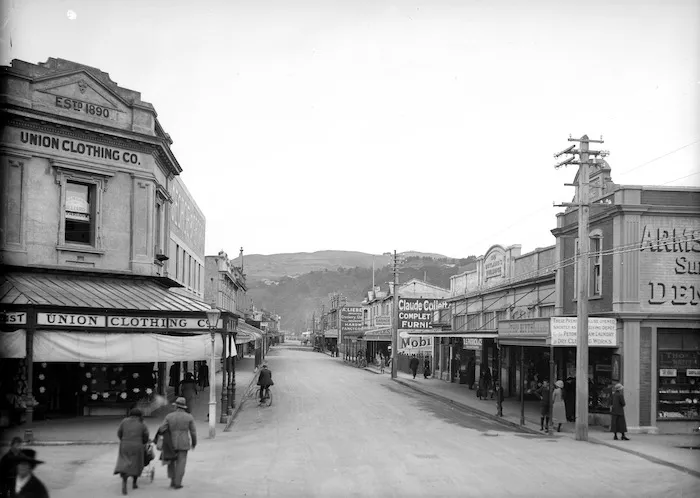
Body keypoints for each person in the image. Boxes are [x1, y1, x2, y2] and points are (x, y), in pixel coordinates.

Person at [158, 397, 197, 489]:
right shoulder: (189, 417)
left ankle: (172, 481)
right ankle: (178, 483)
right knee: (181, 463)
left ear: (176, 406)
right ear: (184, 407)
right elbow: (193, 432)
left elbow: (161, 428)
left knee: (171, 461)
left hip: (171, 442)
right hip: (184, 442)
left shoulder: (169, 416)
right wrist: (194, 443)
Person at [114, 408, 149, 495]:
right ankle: (134, 483)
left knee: (125, 462)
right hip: (137, 445)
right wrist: (144, 442)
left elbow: (119, 433)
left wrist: (123, 440)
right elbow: (146, 435)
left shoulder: (124, 421)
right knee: (136, 464)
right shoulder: (142, 423)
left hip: (125, 445)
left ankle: (124, 481)